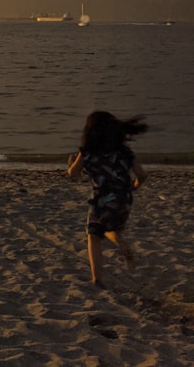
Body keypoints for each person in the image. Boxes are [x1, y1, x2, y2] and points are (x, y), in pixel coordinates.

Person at [67, 111, 148, 286]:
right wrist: (134, 186)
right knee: (113, 228)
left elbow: (73, 173)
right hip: (123, 198)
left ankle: (97, 278)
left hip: (100, 199)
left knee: (94, 234)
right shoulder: (124, 151)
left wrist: (70, 162)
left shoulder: (87, 151)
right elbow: (141, 174)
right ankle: (123, 246)